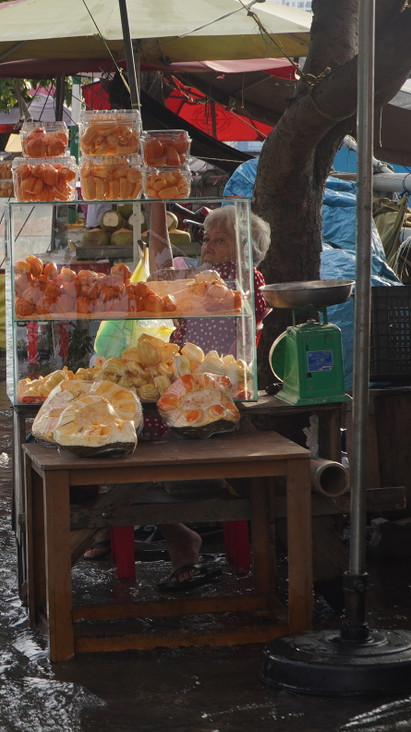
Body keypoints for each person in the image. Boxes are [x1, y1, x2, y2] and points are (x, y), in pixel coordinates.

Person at [148, 203, 271, 592]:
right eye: (207, 239)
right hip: (183, 389)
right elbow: (161, 273)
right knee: (130, 428)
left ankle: (175, 539)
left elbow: (167, 274)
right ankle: (169, 534)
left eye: (220, 241)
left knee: (138, 433)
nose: (208, 247)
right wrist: (155, 210)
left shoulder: (240, 282)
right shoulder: (204, 279)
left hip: (212, 399)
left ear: (244, 249)